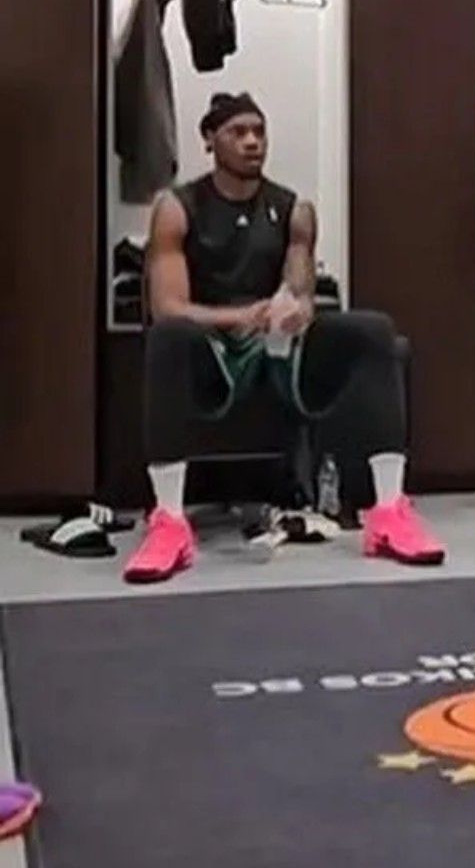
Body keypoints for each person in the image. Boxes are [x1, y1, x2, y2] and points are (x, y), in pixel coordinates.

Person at [127, 92, 442, 584]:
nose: (252, 142)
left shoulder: (293, 209)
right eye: (238, 132)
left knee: (374, 330)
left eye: (259, 131)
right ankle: (169, 521)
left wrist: (294, 307)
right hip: (211, 348)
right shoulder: (178, 207)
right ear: (210, 140)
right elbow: (169, 306)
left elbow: (300, 288)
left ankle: (387, 512)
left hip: (276, 350)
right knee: (168, 336)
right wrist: (240, 316)